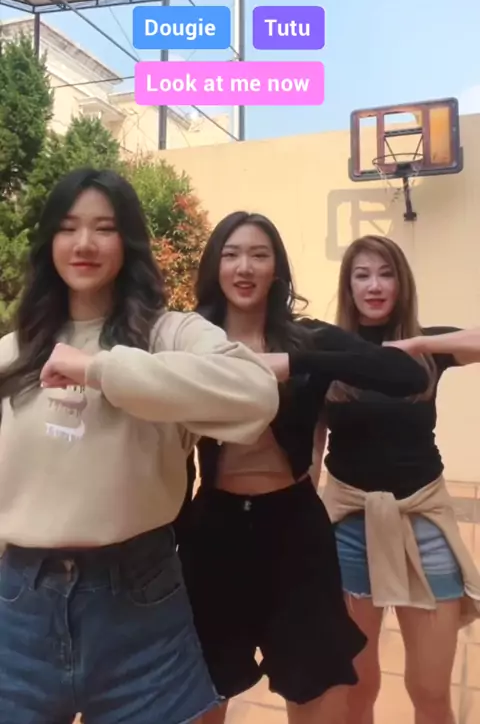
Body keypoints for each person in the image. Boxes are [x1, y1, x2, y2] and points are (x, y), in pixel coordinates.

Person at [0, 169, 281, 724]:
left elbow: (256, 394)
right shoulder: (14, 353)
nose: (84, 243)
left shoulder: (169, 335)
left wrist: (101, 369)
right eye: (68, 227)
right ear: (49, 240)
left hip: (141, 607)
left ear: (127, 241)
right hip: (19, 612)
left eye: (104, 228)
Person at [177, 212, 429, 724]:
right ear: (215, 266)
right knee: (202, 692)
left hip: (294, 527)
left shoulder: (307, 338)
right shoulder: (191, 338)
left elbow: (405, 374)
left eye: (259, 255)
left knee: (319, 689)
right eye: (231, 254)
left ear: (277, 270)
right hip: (214, 528)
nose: (244, 267)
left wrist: (295, 362)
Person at [322, 234, 480, 724]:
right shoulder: (331, 354)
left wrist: (419, 344)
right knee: (357, 690)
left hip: (423, 524)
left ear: (401, 284)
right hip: (349, 529)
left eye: (385, 274)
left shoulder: (428, 349)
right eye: (362, 275)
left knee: (429, 690)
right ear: (348, 287)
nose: (374, 286)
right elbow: (311, 445)